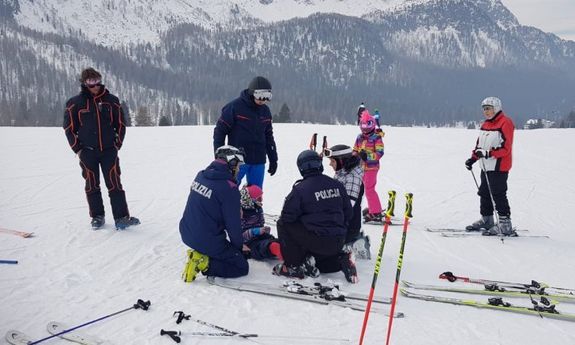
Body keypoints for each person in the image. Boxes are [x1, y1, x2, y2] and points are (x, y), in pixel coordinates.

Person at [63, 67, 140, 230]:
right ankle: (97, 216)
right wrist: (78, 149)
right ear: (84, 83)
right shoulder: (74, 103)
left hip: (108, 151)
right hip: (87, 151)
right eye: (91, 82)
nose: (95, 85)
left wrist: (116, 144)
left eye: (97, 80)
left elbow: (120, 124)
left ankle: (121, 217)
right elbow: (69, 128)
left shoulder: (111, 100)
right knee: (92, 184)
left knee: (114, 184)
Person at [274, 150, 358, 283]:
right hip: (338, 240)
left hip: (317, 240)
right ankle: (340, 260)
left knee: (283, 224)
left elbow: (287, 218)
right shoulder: (337, 185)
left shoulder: (300, 189)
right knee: (320, 264)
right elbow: (349, 213)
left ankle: (293, 267)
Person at [180, 145, 249, 282]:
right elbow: (233, 226)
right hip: (205, 239)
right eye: (238, 166)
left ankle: (202, 253)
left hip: (186, 232)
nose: (239, 169)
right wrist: (238, 249)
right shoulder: (229, 188)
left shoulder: (200, 175)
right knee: (241, 266)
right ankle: (204, 263)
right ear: (232, 164)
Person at [213, 76, 278, 189]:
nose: (263, 100)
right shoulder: (234, 107)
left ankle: (253, 207)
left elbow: (268, 137)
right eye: (260, 96)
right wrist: (220, 157)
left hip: (258, 161)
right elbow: (220, 131)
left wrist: (273, 159)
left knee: (255, 194)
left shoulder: (265, 111)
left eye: (267, 97)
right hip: (237, 161)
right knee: (229, 190)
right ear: (252, 93)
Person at [465, 97, 515, 236]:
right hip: (485, 166)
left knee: (498, 194)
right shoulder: (485, 124)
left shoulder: (506, 123)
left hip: (499, 167)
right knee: (484, 193)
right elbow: (479, 146)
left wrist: (488, 153)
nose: (486, 112)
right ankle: (487, 220)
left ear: (497, 108)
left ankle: (505, 224)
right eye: (484, 109)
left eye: (489, 108)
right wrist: (473, 159)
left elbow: (506, 149)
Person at [324, 144, 371, 260]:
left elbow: (347, 207)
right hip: (342, 221)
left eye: (332, 161)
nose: (330, 164)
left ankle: (355, 242)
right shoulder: (343, 171)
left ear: (341, 161)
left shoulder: (352, 177)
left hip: (348, 225)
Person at [353, 110, 385, 223]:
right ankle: (373, 207)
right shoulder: (359, 137)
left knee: (369, 189)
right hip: (360, 168)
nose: (365, 129)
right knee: (361, 189)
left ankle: (375, 212)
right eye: (363, 126)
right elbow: (355, 150)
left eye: (368, 125)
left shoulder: (376, 137)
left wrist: (368, 156)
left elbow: (380, 153)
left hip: (372, 168)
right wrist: (353, 157)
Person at [239, 185, 283, 260]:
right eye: (259, 198)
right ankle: (277, 250)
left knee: (277, 241)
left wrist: (264, 230)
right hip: (249, 243)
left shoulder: (257, 208)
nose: (261, 200)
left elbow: (261, 223)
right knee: (262, 247)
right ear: (249, 200)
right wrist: (255, 231)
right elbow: (240, 237)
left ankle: (285, 248)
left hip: (261, 236)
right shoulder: (241, 213)